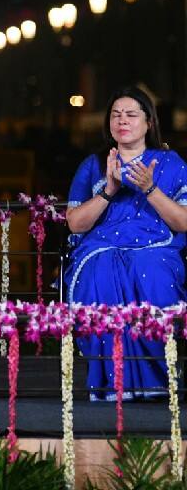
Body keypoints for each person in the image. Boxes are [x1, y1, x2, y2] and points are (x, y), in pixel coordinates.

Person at [63, 86, 187, 401]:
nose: (123, 121)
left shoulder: (171, 163)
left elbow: (182, 222)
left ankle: (158, 383)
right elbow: (76, 223)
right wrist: (109, 189)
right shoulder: (92, 165)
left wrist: (149, 189)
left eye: (131, 114)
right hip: (100, 250)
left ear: (149, 123)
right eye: (116, 115)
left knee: (152, 272)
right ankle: (110, 386)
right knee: (100, 271)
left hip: (157, 250)